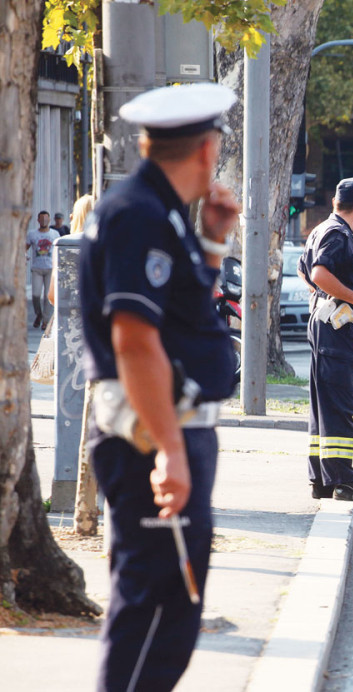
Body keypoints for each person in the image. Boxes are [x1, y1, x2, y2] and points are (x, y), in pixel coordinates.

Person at [79, 82, 240, 691]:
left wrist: (213, 240)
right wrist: (172, 451)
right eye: (219, 144)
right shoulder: (138, 215)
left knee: (174, 601)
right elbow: (135, 341)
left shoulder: (161, 209)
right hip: (150, 437)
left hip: (168, 429)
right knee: (154, 606)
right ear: (205, 149)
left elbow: (179, 311)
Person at [297, 177, 353, 503]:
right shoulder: (338, 234)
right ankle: (344, 483)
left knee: (323, 407)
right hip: (336, 332)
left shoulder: (319, 230)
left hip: (324, 328)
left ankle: (321, 480)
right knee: (340, 405)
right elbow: (317, 273)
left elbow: (304, 271)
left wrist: (326, 298)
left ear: (334, 202)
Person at [48, 194, 96, 307]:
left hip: (68, 319)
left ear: (74, 217)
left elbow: (53, 295)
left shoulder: (63, 244)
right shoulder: (109, 245)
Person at [25, 210, 60, 328]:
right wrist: (24, 256)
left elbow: (58, 250)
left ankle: (45, 321)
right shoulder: (32, 234)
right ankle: (38, 314)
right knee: (35, 295)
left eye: (46, 218)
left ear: (49, 220)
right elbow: (25, 247)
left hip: (50, 268)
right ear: (38, 220)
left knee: (47, 296)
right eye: (42, 218)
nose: (44, 220)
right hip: (37, 269)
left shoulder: (55, 234)